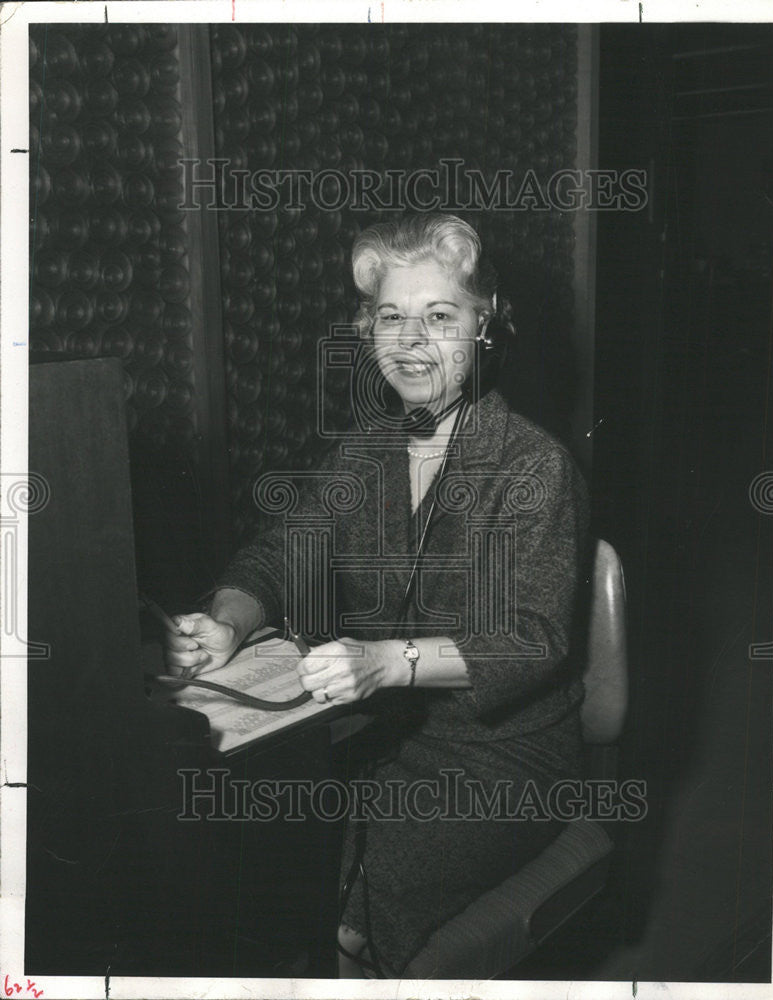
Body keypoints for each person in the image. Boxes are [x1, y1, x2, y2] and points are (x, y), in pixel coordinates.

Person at [164, 213, 590, 978]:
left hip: (503, 757)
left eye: (440, 315)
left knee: (337, 918)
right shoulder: (365, 449)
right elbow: (283, 550)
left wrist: (387, 663)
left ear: (485, 328)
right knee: (249, 869)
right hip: (376, 734)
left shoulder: (534, 465)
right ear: (367, 333)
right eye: (390, 316)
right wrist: (228, 621)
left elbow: (532, 639)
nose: (411, 340)